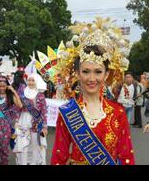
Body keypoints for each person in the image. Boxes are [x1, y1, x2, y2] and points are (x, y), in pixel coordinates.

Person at [51, 18, 135, 165]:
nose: (91, 78)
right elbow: (59, 156)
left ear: (106, 74)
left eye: (98, 72)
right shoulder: (67, 113)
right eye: (86, 71)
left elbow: (126, 156)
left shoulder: (118, 113)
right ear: (77, 73)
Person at [13, 61, 48, 165]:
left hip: (37, 122)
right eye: (29, 80)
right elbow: (17, 109)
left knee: (35, 145)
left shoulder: (41, 95)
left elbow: (44, 111)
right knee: (23, 145)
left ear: (37, 81)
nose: (31, 82)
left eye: (33, 80)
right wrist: (15, 121)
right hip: (23, 121)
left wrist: (44, 127)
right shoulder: (22, 94)